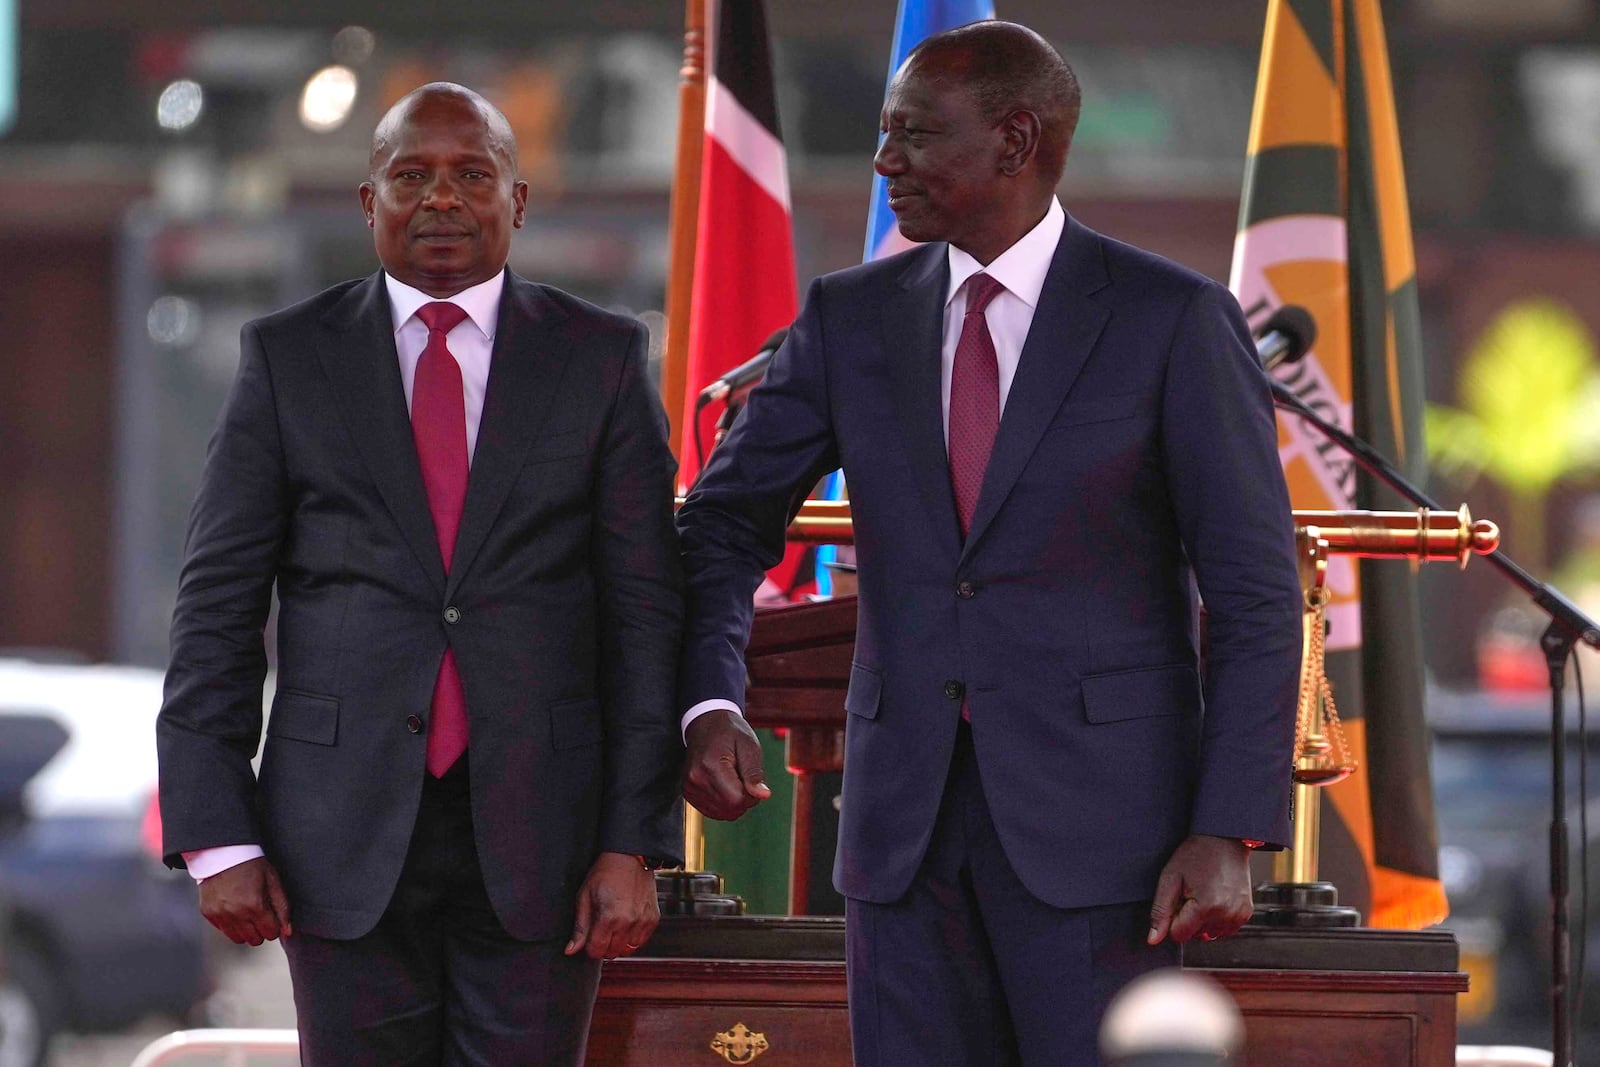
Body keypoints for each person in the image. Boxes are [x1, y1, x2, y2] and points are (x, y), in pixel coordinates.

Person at [677, 21, 1301, 1066]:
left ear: (1014, 143)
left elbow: (1253, 591)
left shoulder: (1170, 319)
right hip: (897, 840)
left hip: (1110, 847)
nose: (884, 165)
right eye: (884, 135)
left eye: (913, 136)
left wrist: (1228, 826)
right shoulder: (849, 317)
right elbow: (721, 525)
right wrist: (707, 697)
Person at [155, 83, 684, 1066]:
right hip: (335, 832)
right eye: (412, 176)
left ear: (518, 200)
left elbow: (646, 618)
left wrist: (634, 837)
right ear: (369, 202)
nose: (442, 198)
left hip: (546, 840)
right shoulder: (287, 357)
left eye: (471, 174)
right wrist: (219, 834)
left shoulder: (601, 359)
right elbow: (217, 607)